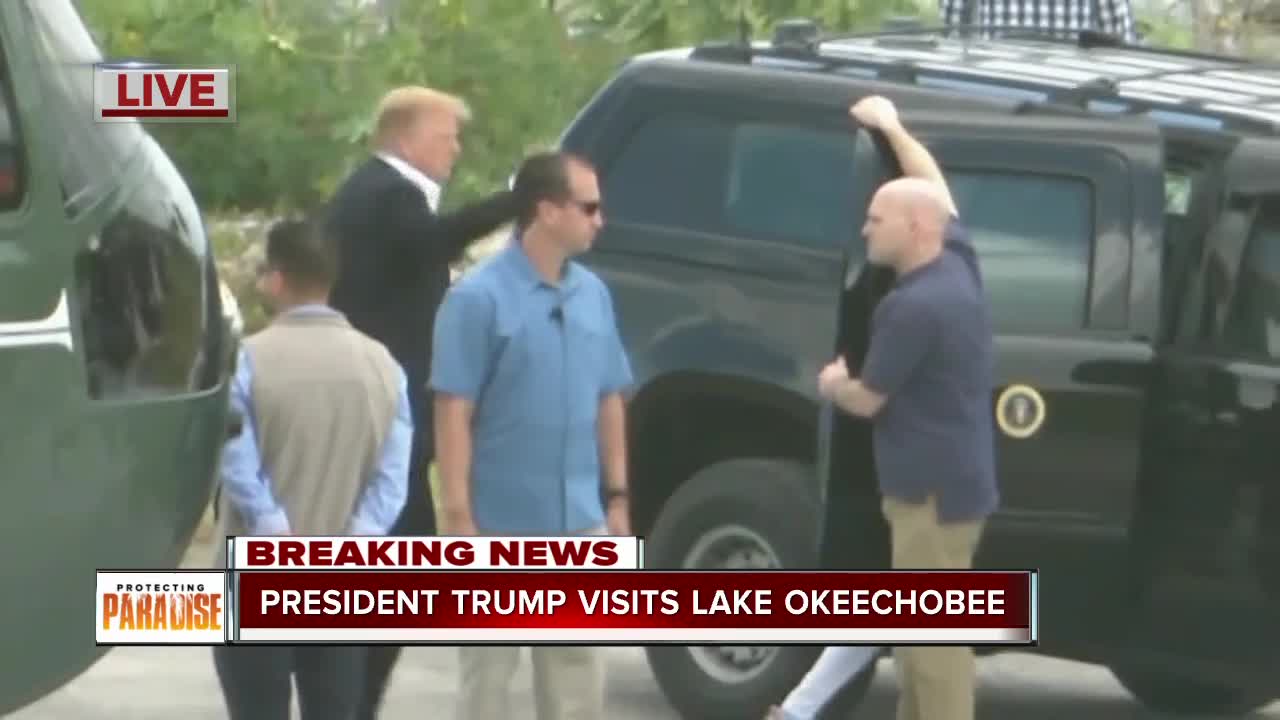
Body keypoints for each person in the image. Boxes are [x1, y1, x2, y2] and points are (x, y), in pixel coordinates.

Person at [799, 95, 999, 720]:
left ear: (915, 228)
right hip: (955, 488)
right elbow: (934, 185)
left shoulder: (912, 307)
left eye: (877, 219)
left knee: (933, 648)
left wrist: (832, 382)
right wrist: (891, 128)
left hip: (928, 498)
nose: (865, 230)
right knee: (919, 643)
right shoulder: (958, 263)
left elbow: (868, 399)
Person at [323, 85, 518, 719]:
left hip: (391, 407)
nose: (456, 149)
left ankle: (353, 703)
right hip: (383, 411)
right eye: (446, 136)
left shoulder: (390, 197)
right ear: (405, 138)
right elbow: (437, 241)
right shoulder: (384, 195)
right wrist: (520, 198)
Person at [430, 151, 632, 720]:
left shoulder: (593, 293)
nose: (600, 220)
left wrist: (617, 497)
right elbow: (453, 410)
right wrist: (459, 517)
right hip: (496, 523)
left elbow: (610, 395)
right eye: (589, 207)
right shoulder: (477, 298)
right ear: (547, 210)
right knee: (488, 678)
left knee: (577, 674)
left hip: (581, 522)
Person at [210, 217, 412, 720]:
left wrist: (269, 523)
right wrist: (361, 537)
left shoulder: (246, 360)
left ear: (276, 278)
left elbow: (233, 453)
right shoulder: (384, 365)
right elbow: (394, 471)